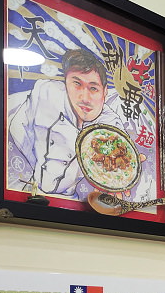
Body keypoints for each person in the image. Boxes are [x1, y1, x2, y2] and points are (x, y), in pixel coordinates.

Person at [7, 48, 127, 199]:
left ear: (104, 92)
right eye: (76, 83)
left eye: (93, 88)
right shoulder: (45, 93)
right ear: (65, 83)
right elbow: (18, 128)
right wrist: (36, 165)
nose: (84, 97)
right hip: (30, 191)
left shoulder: (111, 124)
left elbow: (117, 164)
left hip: (71, 201)